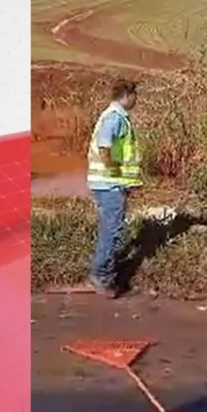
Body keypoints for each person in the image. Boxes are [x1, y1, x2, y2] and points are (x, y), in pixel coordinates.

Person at [84, 79, 143, 297]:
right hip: (109, 184)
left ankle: (103, 273)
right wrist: (114, 170)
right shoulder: (114, 118)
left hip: (111, 183)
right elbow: (105, 147)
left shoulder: (117, 118)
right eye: (135, 96)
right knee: (112, 230)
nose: (137, 100)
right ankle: (100, 277)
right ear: (127, 95)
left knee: (112, 228)